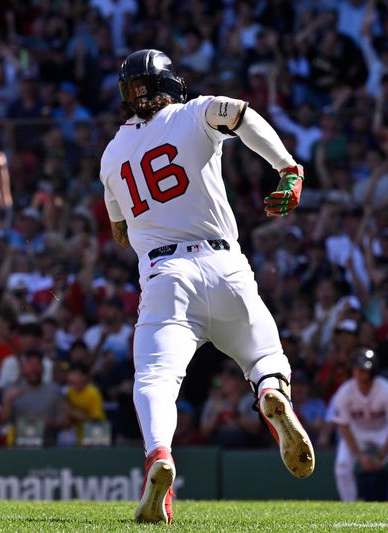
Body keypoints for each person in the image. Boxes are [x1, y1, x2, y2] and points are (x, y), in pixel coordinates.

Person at [99, 49, 314, 524]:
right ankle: (267, 392)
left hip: (164, 276)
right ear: (169, 82)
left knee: (155, 381)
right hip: (224, 264)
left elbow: (120, 232)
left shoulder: (112, 154)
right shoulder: (194, 112)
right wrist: (288, 168)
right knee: (264, 356)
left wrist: (153, 218)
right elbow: (240, 113)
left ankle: (159, 455)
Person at [331, 349, 388, 503]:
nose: (360, 373)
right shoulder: (345, 392)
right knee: (342, 465)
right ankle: (349, 505)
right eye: (357, 369)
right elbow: (344, 427)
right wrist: (360, 456)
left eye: (364, 369)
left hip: (384, 430)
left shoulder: (386, 390)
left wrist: (381, 456)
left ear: (372, 371)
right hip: (357, 432)